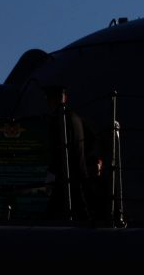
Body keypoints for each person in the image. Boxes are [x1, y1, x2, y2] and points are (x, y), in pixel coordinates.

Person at [44, 85, 101, 221]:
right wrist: (82, 156)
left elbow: (58, 148)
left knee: (54, 213)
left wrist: (51, 173)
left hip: (65, 173)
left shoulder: (58, 119)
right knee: (82, 206)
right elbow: (92, 138)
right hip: (79, 170)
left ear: (51, 100)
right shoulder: (75, 117)